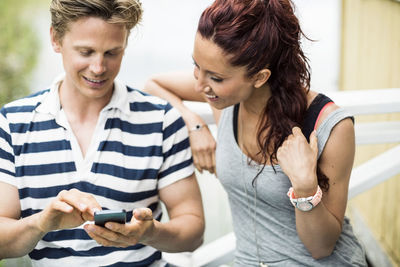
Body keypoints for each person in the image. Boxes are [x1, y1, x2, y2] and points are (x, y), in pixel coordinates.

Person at [143, 0, 367, 266]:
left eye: (215, 77)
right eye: (196, 66)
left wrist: (305, 186)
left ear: (260, 77)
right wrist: (195, 125)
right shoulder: (226, 103)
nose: (200, 85)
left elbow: (321, 247)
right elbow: (153, 84)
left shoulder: (328, 125)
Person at [0, 0, 204, 266]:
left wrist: (149, 232)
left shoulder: (161, 120)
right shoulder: (12, 123)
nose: (98, 68)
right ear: (55, 38)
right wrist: (41, 223)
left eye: (112, 52)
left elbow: (193, 232)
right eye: (86, 52)